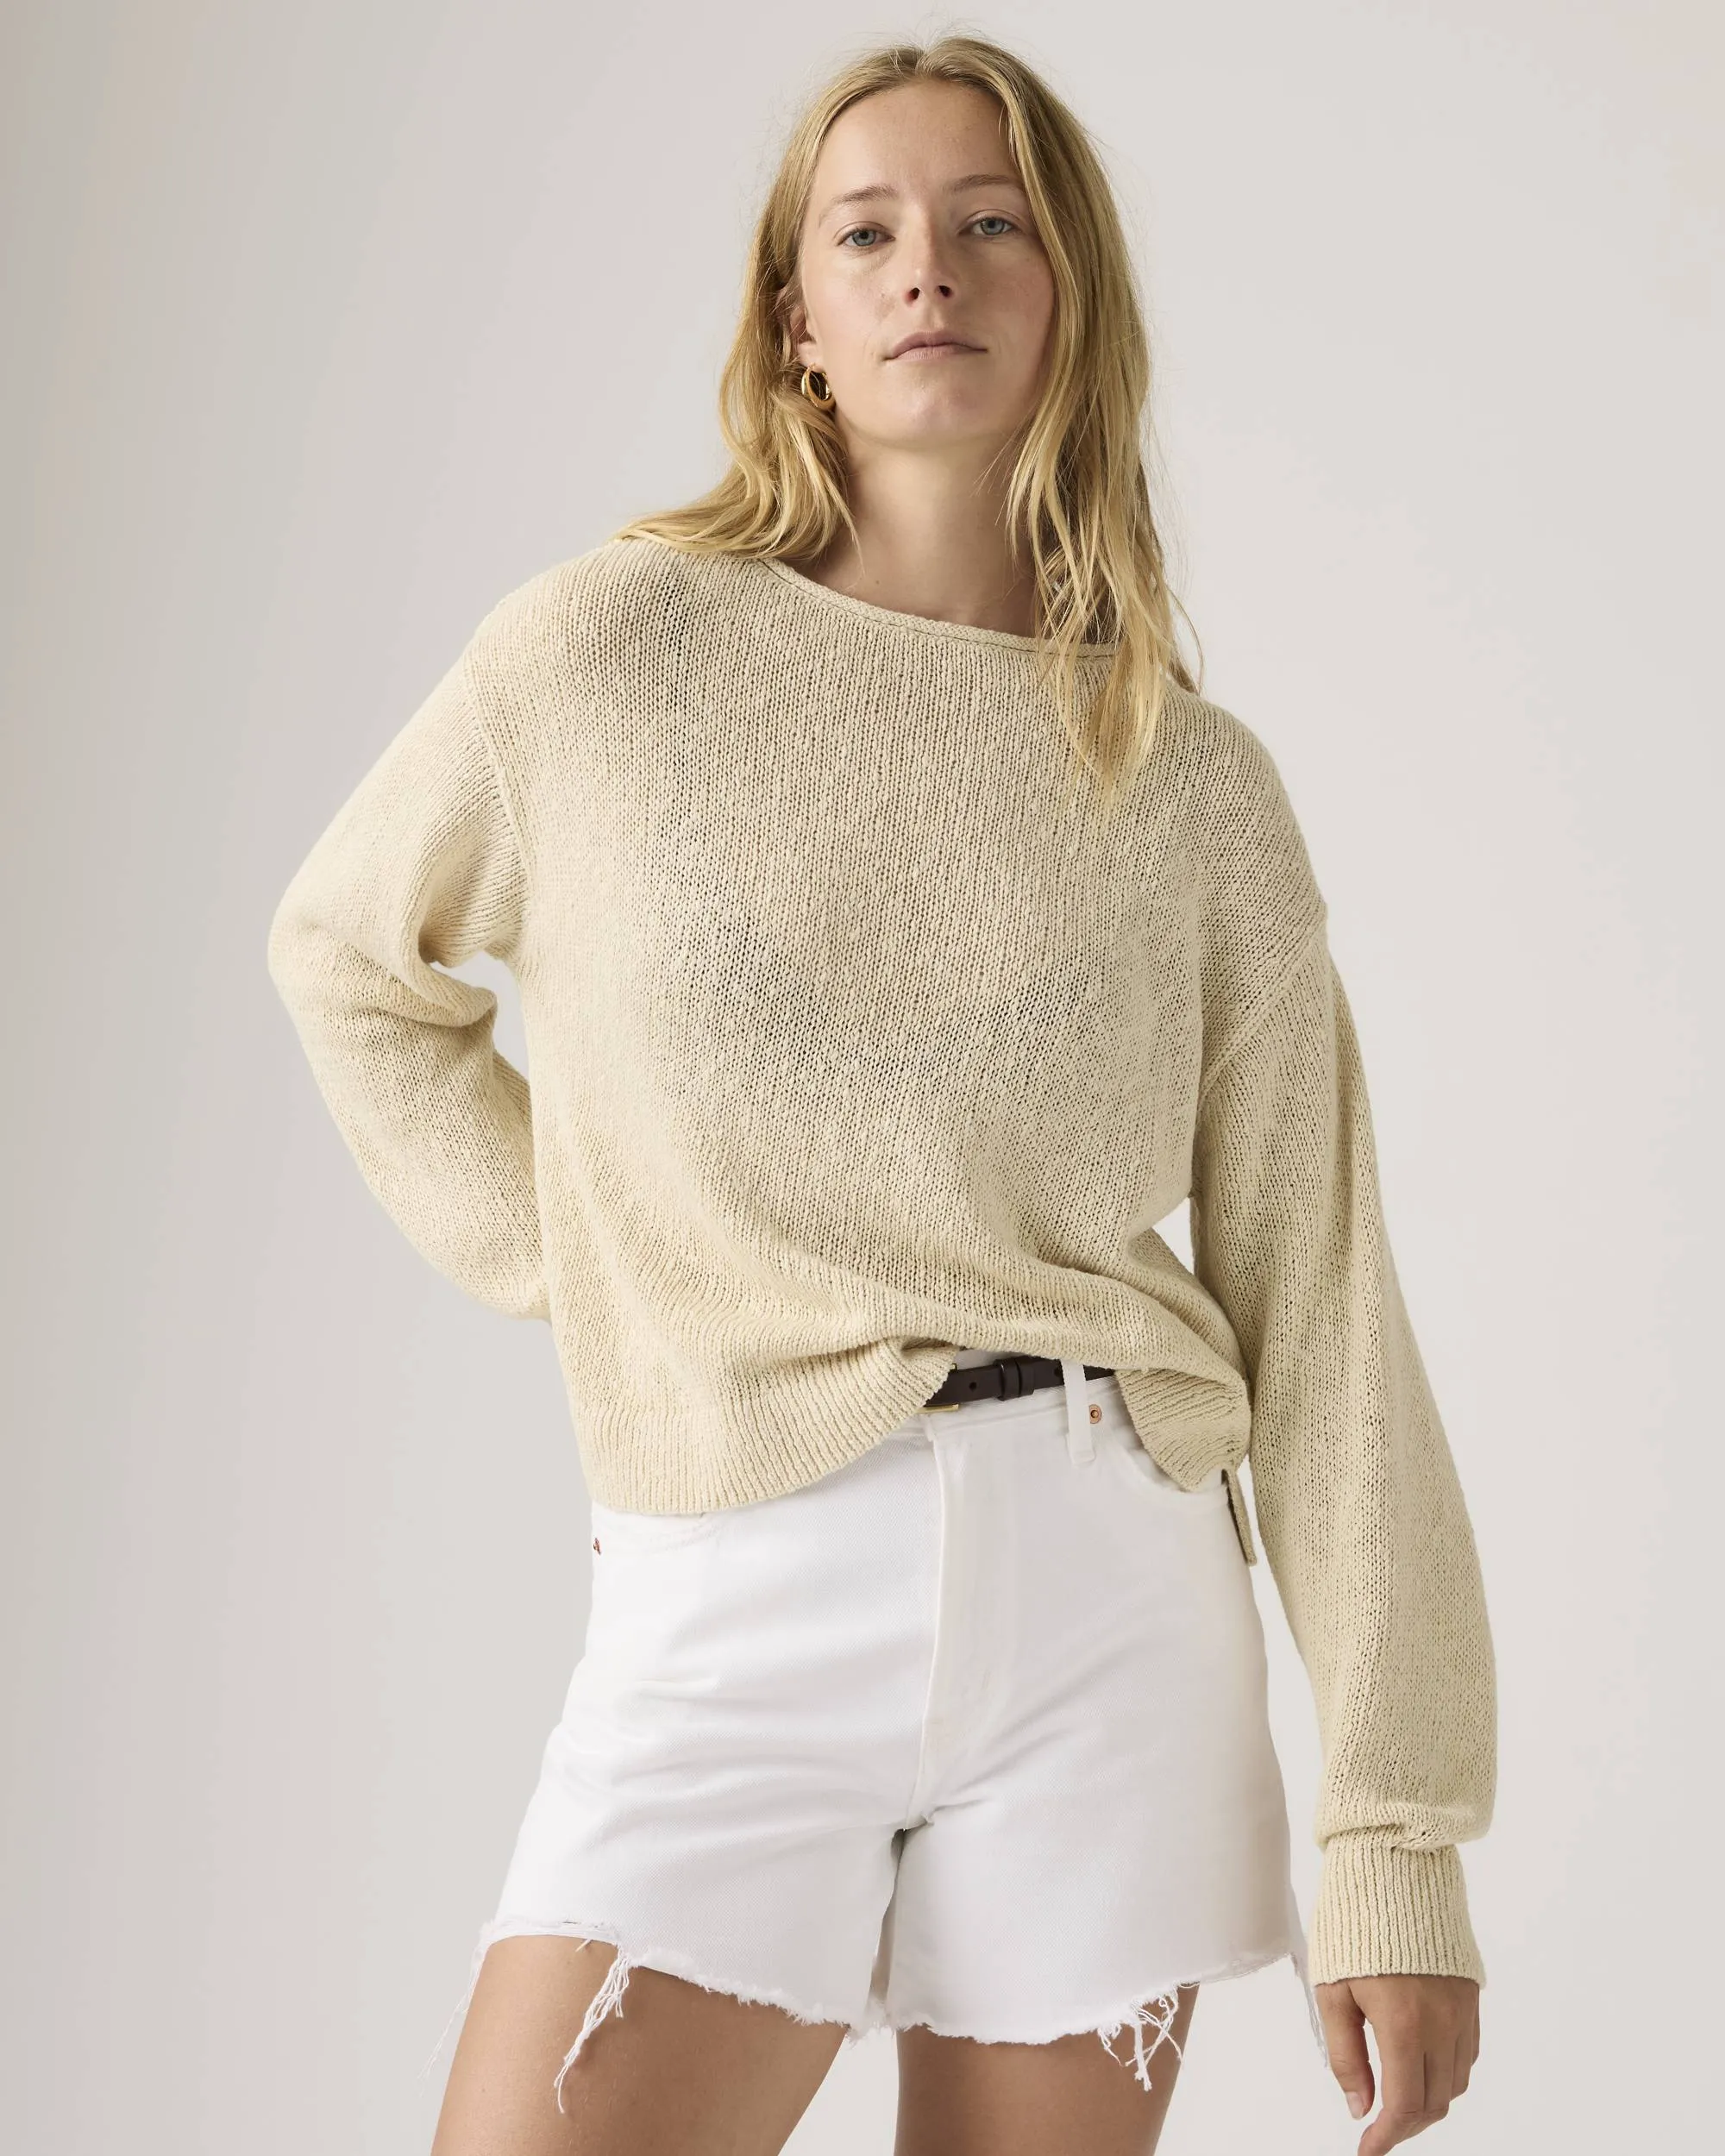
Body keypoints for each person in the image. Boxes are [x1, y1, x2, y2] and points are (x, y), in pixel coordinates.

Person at [266, 33, 1496, 2156]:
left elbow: (1323, 1302)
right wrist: (616, 1263)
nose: (930, 265)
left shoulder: (1191, 783)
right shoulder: (599, 660)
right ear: (797, 323)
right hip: (737, 1577)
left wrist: (1395, 1831)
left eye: (990, 220)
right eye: (868, 230)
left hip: (1109, 1597)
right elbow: (349, 961)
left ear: (1069, 296)